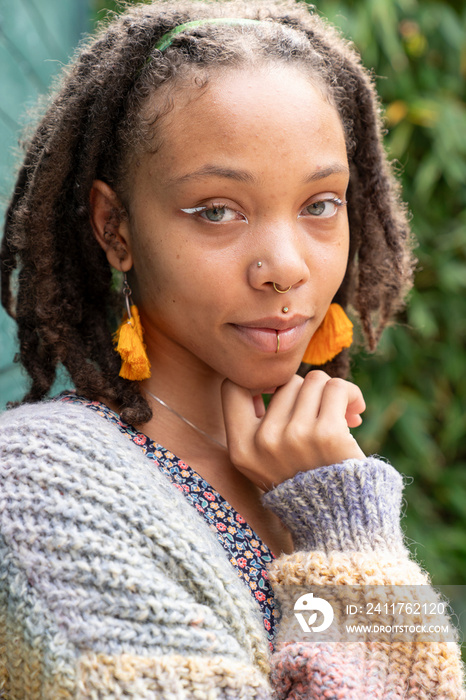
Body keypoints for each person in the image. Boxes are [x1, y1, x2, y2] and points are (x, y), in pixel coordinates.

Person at [0, 1, 463, 697]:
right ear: (114, 227)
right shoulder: (37, 486)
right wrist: (345, 527)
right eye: (218, 210)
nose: (284, 266)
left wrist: (337, 513)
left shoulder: (303, 474)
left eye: (320, 204)